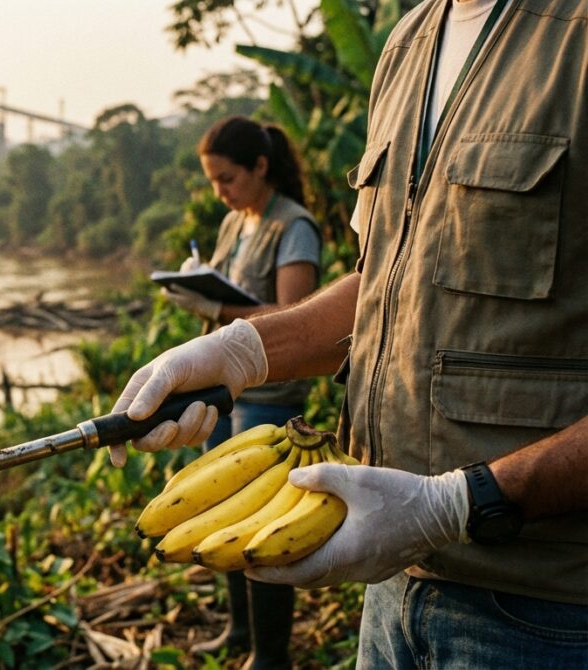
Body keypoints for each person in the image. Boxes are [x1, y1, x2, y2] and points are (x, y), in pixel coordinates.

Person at [108, 1, 588, 667]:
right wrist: (242, 352)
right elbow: (390, 287)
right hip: (392, 594)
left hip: (548, 612)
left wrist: (459, 504)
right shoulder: (406, 47)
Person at [159, 116, 321, 670]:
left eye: (227, 179)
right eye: (211, 181)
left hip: (271, 395)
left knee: (262, 525)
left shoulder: (293, 226)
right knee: (222, 513)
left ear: (260, 166)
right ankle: (239, 630)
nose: (219, 192)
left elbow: (293, 317)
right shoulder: (236, 225)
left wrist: (218, 309)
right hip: (225, 392)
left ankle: (270, 654)